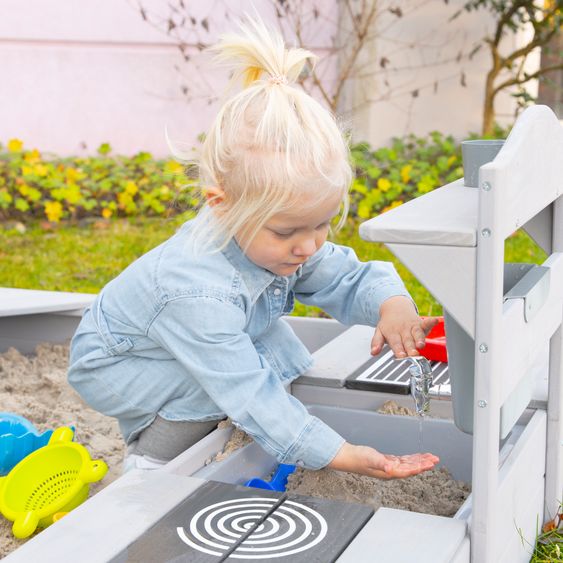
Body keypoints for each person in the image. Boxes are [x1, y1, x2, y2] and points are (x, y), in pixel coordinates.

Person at [68, 18, 439, 478]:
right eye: (286, 233)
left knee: (269, 352)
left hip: (178, 338)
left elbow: (345, 276)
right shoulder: (196, 291)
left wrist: (392, 304)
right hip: (116, 363)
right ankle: (151, 466)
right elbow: (248, 392)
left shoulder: (283, 237)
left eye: (321, 223)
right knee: (211, 384)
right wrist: (337, 452)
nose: (307, 246)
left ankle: (199, 436)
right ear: (222, 207)